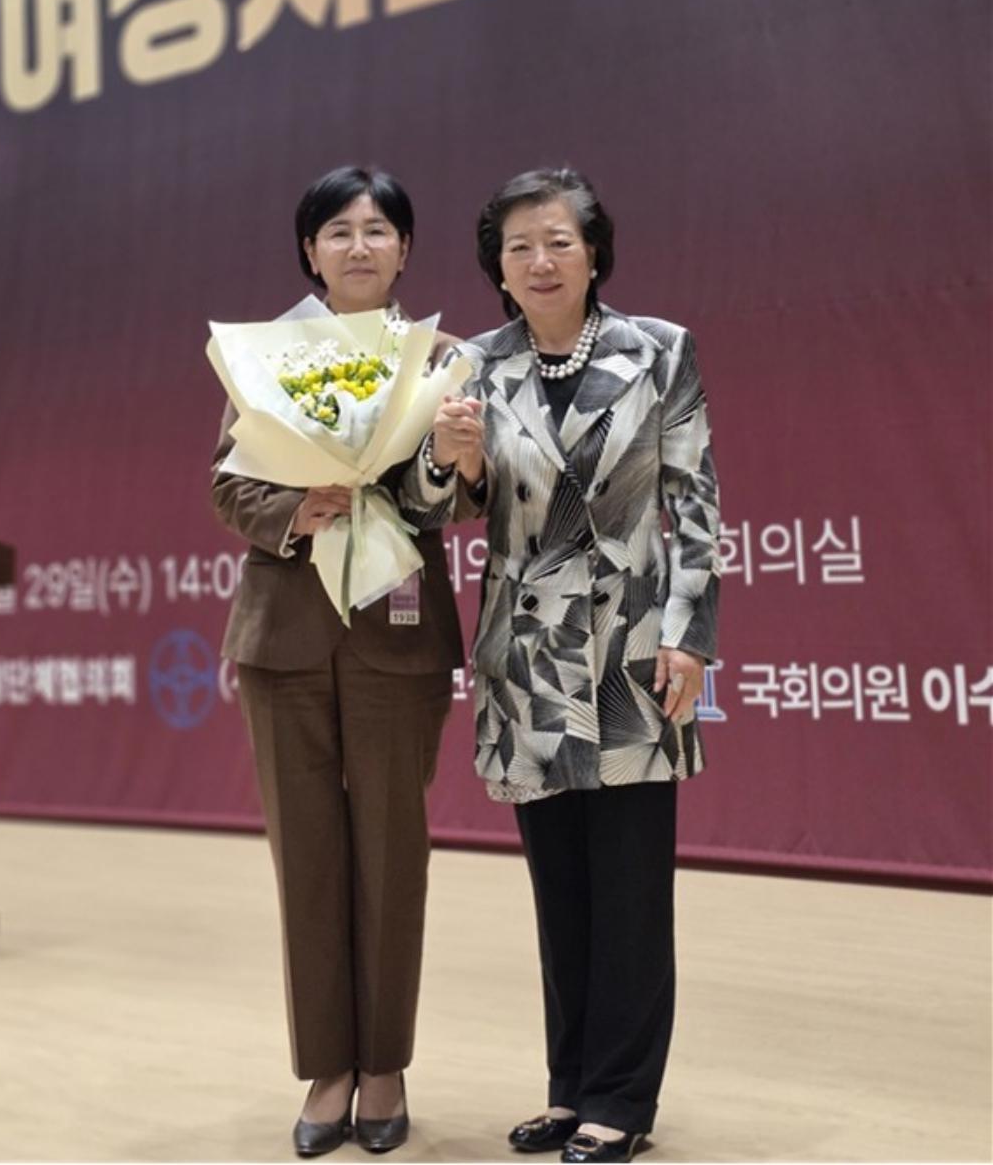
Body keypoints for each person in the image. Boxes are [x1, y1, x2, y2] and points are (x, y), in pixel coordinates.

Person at [403, 168, 721, 1164]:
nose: (540, 262)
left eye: (558, 242)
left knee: (631, 883)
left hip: (633, 650)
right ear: (497, 269)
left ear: (595, 254)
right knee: (561, 889)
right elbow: (432, 505)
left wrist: (692, 632)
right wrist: (452, 459)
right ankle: (571, 1084)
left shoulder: (659, 351)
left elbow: (696, 502)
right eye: (518, 248)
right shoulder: (471, 366)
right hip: (527, 656)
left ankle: (622, 1100)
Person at [210, 165, 462, 1158]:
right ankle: (326, 1067)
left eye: (378, 229)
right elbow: (227, 489)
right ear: (309, 250)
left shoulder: (439, 356)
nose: (359, 246)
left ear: (405, 249)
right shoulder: (267, 358)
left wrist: (446, 460)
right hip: (282, 638)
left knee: (393, 857)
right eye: (338, 231)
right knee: (306, 859)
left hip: (397, 638)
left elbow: (458, 497)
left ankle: (387, 1062)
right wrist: (292, 510)